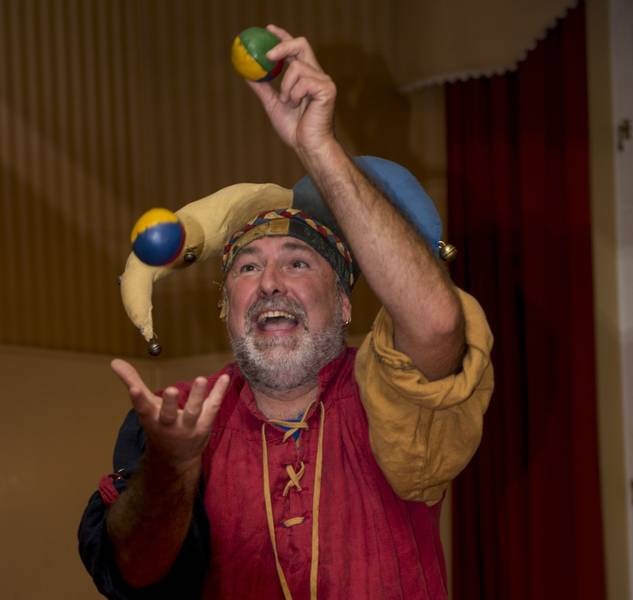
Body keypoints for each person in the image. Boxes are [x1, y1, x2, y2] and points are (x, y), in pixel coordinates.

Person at [78, 25, 493, 600]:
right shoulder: (179, 419)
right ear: (225, 306)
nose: (270, 282)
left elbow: (438, 324)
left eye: (297, 263)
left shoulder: (385, 389)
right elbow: (134, 572)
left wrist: (318, 149)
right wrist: (172, 465)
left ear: (344, 302)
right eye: (248, 268)